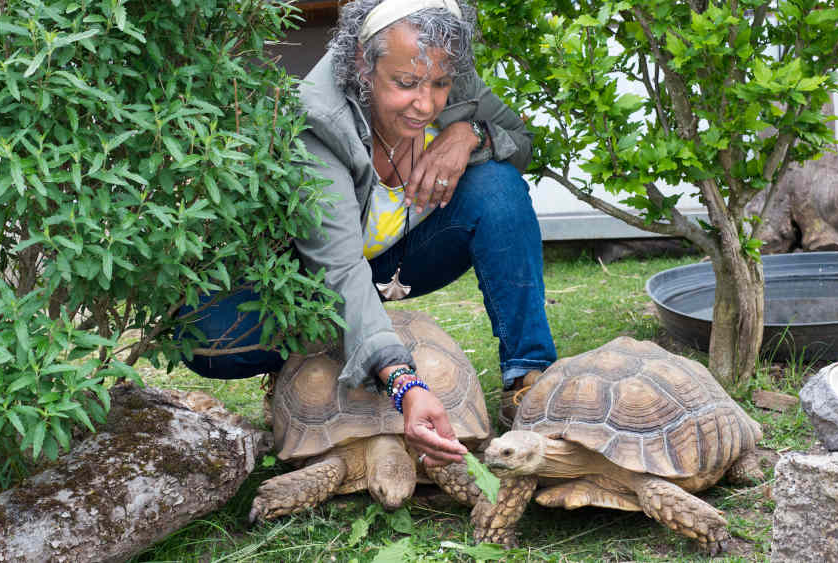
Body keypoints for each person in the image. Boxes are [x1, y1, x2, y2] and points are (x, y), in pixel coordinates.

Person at [179, 0, 557, 467]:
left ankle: (528, 379)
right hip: (309, 279)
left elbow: (516, 137)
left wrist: (471, 133)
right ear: (363, 61)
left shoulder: (445, 69)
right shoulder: (317, 120)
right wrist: (405, 385)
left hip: (403, 257)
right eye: (406, 84)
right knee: (205, 335)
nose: (426, 103)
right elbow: (337, 266)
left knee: (499, 187)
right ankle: (301, 364)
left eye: (439, 84)